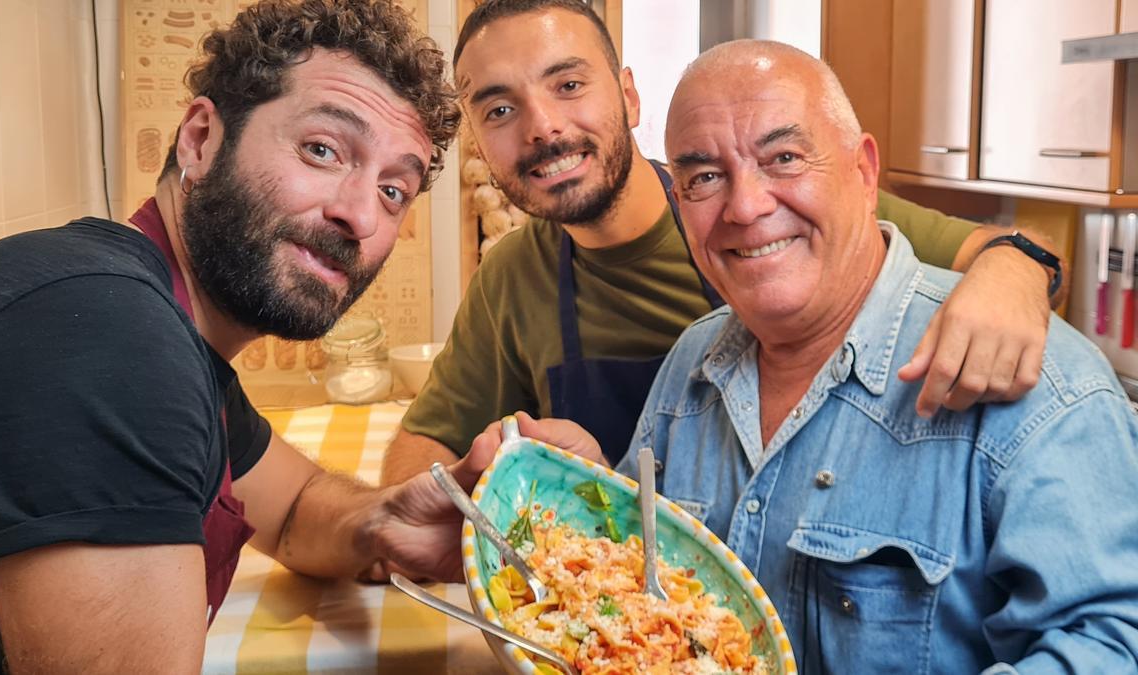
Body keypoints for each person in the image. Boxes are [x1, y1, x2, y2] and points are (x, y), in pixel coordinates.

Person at [485, 39, 1138, 672]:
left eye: (785, 158)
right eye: (705, 177)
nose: (745, 206)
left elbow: (1113, 645)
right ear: (680, 205)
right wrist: (589, 492)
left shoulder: (1043, 384)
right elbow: (641, 579)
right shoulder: (691, 367)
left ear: (863, 171)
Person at [0, 2, 485, 672]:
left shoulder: (159, 323)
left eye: (394, 190)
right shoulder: (110, 334)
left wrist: (385, 522)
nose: (361, 215)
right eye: (323, 149)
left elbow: (293, 512)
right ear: (199, 139)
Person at [382, 0, 1065, 480]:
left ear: (629, 97)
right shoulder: (512, 278)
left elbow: (1014, 248)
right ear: (477, 137)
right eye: (499, 108)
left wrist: (1013, 274)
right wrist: (501, 486)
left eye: (568, 84)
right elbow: (418, 452)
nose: (542, 127)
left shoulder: (778, 214)